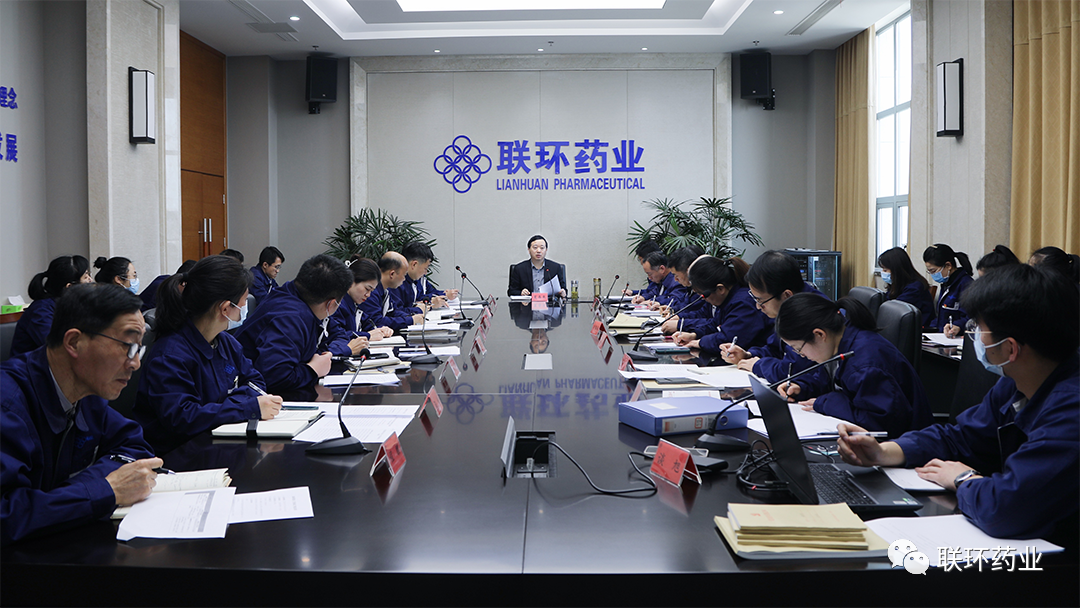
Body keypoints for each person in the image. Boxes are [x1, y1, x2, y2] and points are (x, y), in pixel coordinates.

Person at [837, 264, 1080, 541]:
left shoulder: (1071, 409)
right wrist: (886, 452)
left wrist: (963, 479)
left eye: (978, 328)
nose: (973, 334)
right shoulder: (1017, 382)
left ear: (1010, 348)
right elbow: (961, 437)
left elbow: (1008, 509)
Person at [0, 283, 161, 547]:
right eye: (127, 346)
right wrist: (104, 490)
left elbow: (134, 446)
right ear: (74, 342)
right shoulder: (7, 405)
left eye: (139, 349)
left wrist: (76, 492)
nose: (135, 363)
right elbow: (6, 515)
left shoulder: (87, 392)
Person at [132, 256, 283, 454]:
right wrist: (245, 407)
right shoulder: (170, 355)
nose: (245, 308)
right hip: (179, 454)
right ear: (225, 308)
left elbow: (256, 383)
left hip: (218, 442)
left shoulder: (225, 342)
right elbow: (183, 418)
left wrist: (227, 407)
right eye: (244, 302)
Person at [775, 294, 933, 437]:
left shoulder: (865, 365)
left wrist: (827, 403)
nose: (801, 355)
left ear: (819, 334)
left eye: (798, 349)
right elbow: (831, 380)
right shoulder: (840, 340)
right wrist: (803, 387)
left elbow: (879, 423)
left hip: (904, 447)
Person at [235, 254, 352, 400]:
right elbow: (276, 377)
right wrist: (312, 370)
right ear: (331, 304)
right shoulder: (291, 318)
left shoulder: (291, 296)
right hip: (252, 396)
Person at [718, 250, 829, 381]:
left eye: (761, 301)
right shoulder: (788, 306)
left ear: (786, 295)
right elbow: (775, 348)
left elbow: (791, 370)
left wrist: (757, 366)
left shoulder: (810, 315)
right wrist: (748, 355)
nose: (758, 307)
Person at [671, 256, 771, 353]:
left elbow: (729, 339)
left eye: (704, 295)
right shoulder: (727, 299)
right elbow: (714, 325)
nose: (704, 299)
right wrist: (694, 335)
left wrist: (699, 343)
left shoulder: (743, 303)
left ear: (720, 289)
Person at [10, 255, 93, 357]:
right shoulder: (41, 311)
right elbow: (56, 347)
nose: (91, 280)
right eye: (86, 277)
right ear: (70, 287)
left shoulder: (71, 305)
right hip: (32, 365)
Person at [324, 257, 392, 357]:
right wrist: (368, 335)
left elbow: (368, 324)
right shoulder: (337, 305)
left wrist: (381, 330)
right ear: (351, 281)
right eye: (367, 289)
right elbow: (336, 335)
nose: (368, 295)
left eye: (371, 291)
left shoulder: (354, 304)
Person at [362, 252, 425, 332]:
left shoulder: (385, 290)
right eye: (404, 275)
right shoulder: (371, 292)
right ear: (392, 274)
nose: (404, 279)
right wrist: (410, 320)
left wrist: (411, 317)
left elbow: (393, 311)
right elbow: (377, 321)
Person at [393, 241, 460, 314]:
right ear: (414, 264)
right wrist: (429, 304)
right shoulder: (395, 283)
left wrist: (443, 295)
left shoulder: (418, 278)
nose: (426, 272)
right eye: (425, 268)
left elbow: (428, 293)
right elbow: (396, 312)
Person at [923, 243, 974, 337]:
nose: (932, 275)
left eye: (933, 271)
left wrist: (958, 326)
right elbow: (940, 317)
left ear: (948, 265)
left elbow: (972, 318)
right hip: (941, 336)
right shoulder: (947, 283)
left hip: (956, 337)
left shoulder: (966, 285)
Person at [877, 247, 933, 328]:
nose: (883, 273)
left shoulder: (914, 288)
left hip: (918, 329)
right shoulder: (898, 284)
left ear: (897, 270)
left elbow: (894, 310)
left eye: (885, 270)